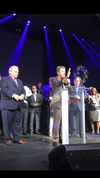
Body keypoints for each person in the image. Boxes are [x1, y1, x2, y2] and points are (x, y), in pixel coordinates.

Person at [1, 65, 27, 146]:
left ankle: (17, 138)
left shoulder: (19, 81)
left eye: (18, 72)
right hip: (7, 106)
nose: (17, 73)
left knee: (18, 123)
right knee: (7, 124)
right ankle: (8, 139)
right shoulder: (4, 79)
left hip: (18, 105)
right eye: (16, 72)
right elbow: (5, 89)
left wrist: (23, 95)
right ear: (10, 72)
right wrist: (13, 95)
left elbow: (23, 90)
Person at [51, 66, 71, 146]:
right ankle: (55, 139)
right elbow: (58, 83)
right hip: (58, 103)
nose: (64, 73)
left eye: (65, 71)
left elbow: (70, 90)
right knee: (57, 122)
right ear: (58, 72)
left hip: (65, 103)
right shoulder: (53, 79)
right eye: (63, 71)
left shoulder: (65, 81)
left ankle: (63, 137)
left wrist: (69, 82)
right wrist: (66, 77)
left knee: (64, 122)